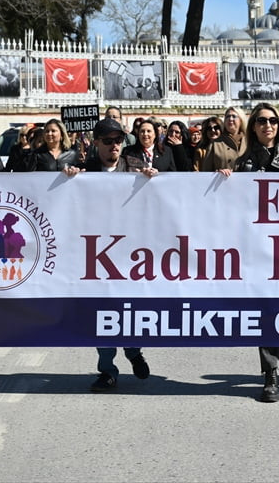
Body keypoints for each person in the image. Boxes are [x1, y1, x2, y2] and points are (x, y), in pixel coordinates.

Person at [217, 103, 279, 403]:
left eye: (272, 120)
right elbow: (234, 205)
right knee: (264, 309)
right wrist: (224, 181)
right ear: (253, 127)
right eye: (261, 121)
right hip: (256, 247)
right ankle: (270, 374)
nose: (267, 125)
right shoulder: (244, 163)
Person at [62, 118, 157, 390]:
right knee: (102, 314)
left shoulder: (136, 168)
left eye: (118, 140)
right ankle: (107, 370)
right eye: (108, 141)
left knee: (128, 308)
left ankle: (133, 350)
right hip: (97, 255)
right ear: (96, 143)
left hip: (131, 254)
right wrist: (68, 179)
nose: (114, 145)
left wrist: (155, 180)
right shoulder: (84, 171)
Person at [199, 107, 246, 172]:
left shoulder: (249, 141)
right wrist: (218, 173)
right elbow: (206, 171)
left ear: (241, 120)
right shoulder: (215, 144)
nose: (230, 119)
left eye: (234, 116)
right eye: (227, 116)